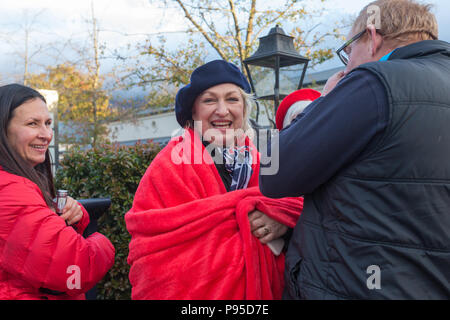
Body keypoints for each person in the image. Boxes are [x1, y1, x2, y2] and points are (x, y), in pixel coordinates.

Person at [259, 0, 450, 299]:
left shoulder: (374, 82)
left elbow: (274, 172)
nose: (347, 66)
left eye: (348, 51)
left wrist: (324, 101)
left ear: (371, 39)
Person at [125, 60, 302, 300]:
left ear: (244, 109)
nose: (222, 110)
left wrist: (281, 223)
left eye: (232, 99)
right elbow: (158, 258)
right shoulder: (168, 166)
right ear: (193, 112)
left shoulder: (263, 164)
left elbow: (300, 210)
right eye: (209, 100)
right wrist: (249, 236)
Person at [0, 84, 115, 300]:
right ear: (3, 130)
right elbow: (77, 269)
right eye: (32, 124)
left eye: (48, 124)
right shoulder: (12, 192)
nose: (46, 135)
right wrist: (102, 242)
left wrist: (76, 216)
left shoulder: (15, 185)